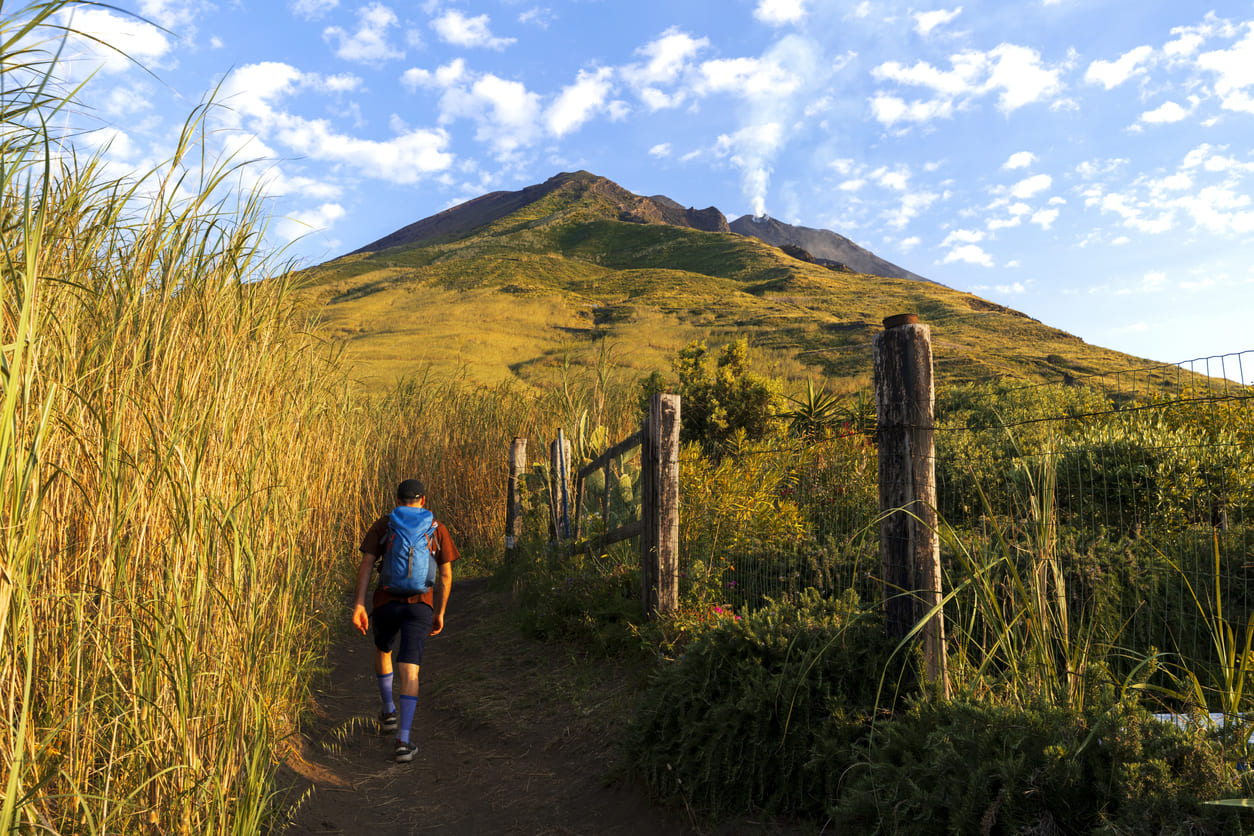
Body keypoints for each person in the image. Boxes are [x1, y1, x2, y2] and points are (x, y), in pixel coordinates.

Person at [352, 478, 458, 763]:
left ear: (397, 500)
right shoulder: (436, 528)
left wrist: (359, 604)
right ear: (423, 500)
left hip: (386, 603)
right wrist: (439, 611)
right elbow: (446, 575)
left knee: (383, 649)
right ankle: (403, 740)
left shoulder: (384, 525)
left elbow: (365, 564)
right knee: (410, 670)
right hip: (420, 607)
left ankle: (388, 711)